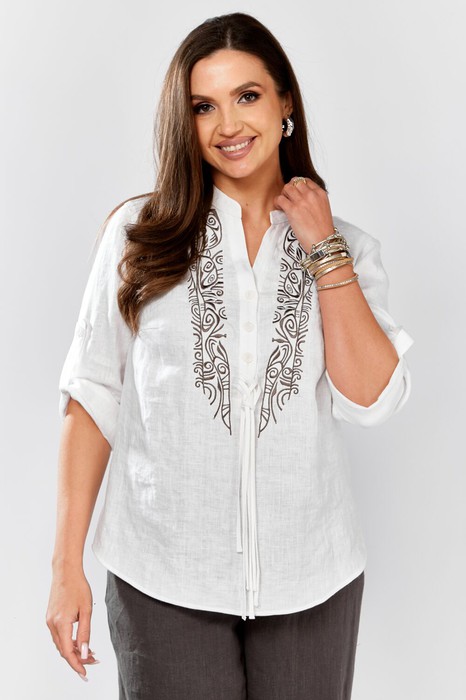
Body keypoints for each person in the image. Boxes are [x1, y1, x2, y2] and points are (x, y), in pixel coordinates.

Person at [46, 11, 414, 700]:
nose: (227, 125)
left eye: (247, 95)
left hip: (312, 579)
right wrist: (66, 567)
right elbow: (93, 396)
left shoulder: (346, 247)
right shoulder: (140, 236)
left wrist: (323, 248)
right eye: (203, 106)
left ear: (285, 102)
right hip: (163, 575)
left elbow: (370, 398)